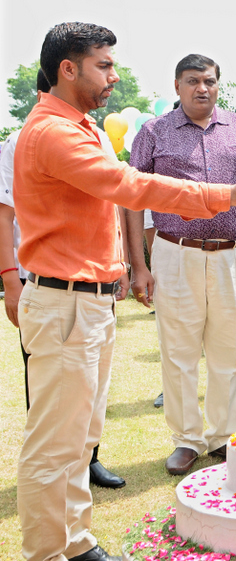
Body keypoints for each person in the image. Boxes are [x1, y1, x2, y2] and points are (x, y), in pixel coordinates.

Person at [15, 22, 236, 561]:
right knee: (56, 446)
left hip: (85, 301)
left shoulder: (76, 124)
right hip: (67, 302)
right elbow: (133, 187)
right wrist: (227, 193)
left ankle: (77, 541)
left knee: (79, 439)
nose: (113, 75)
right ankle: (47, 552)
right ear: (69, 69)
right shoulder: (56, 132)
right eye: (104, 65)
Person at [127, 53, 236, 477]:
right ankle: (187, 439)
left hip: (232, 254)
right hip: (175, 253)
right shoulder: (153, 132)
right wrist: (140, 264)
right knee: (179, 352)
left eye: (209, 80)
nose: (201, 88)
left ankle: (225, 436)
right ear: (177, 86)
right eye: (192, 81)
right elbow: (132, 200)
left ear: (218, 84)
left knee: (228, 350)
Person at [1, 69, 127, 491]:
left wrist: (120, 263)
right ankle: (52, 539)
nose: (112, 78)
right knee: (54, 411)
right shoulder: (27, 138)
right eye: (104, 68)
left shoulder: (94, 133)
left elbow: (108, 207)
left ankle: (85, 471)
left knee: (85, 402)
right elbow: (5, 215)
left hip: (94, 286)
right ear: (64, 76)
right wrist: (10, 282)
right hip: (48, 283)